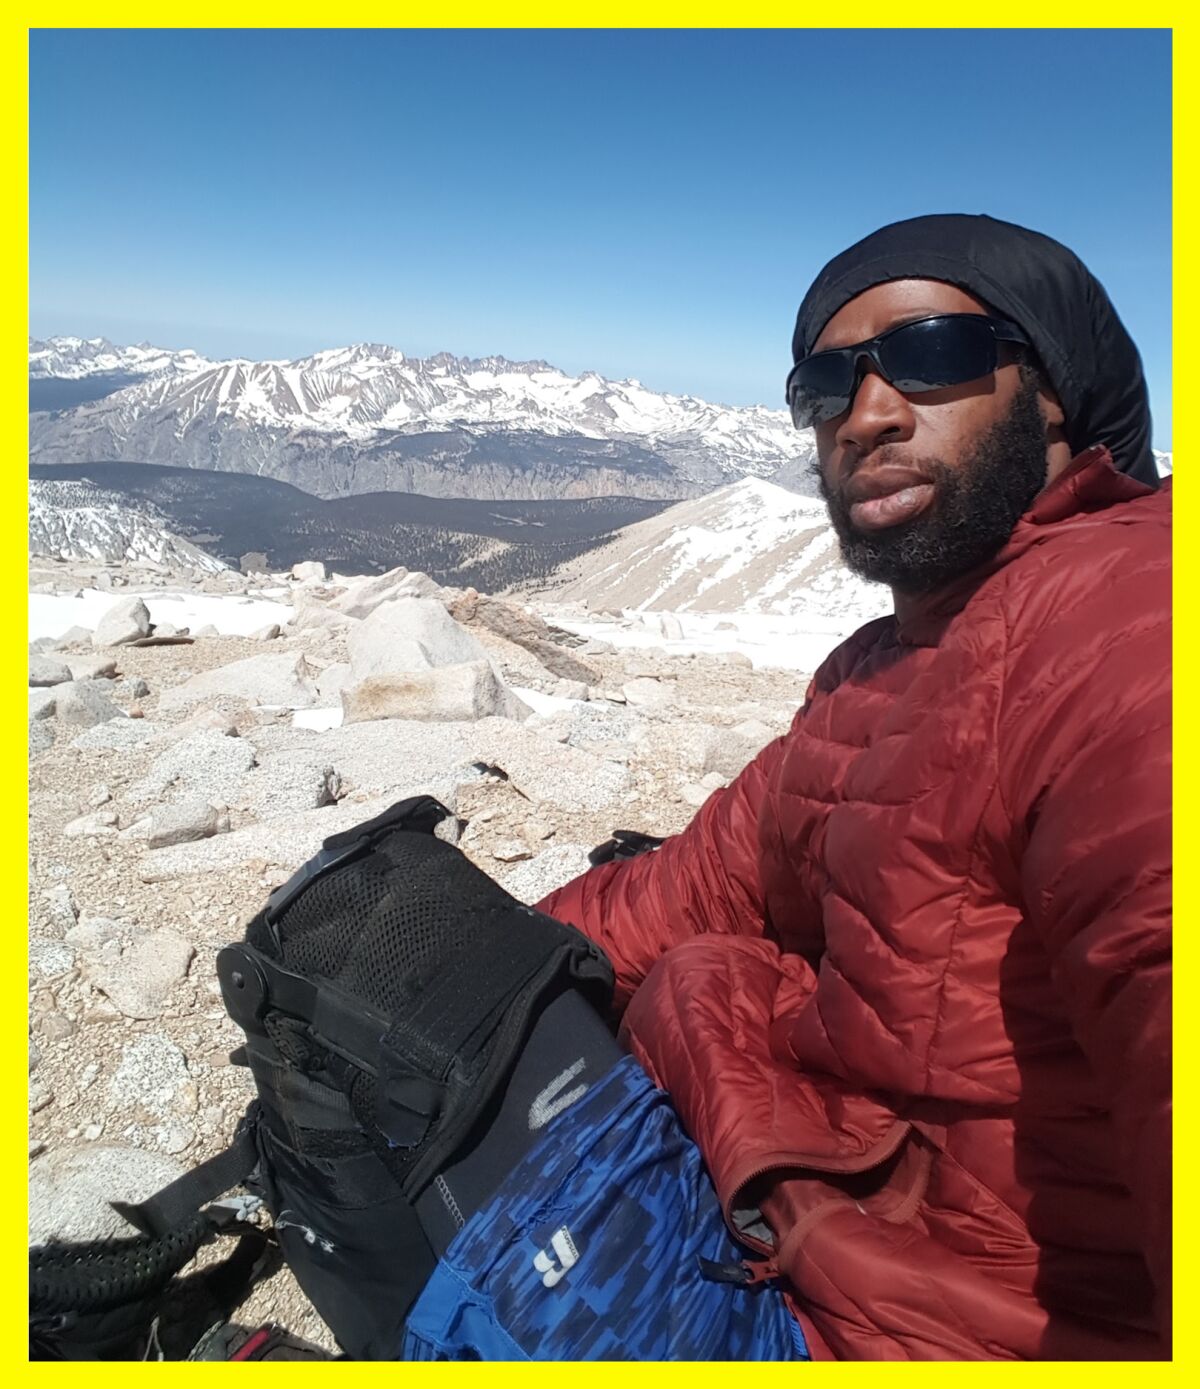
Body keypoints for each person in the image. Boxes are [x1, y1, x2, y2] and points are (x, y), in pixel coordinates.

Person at [536, 213, 1172, 1361]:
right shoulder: (883, 670)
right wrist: (468, 963)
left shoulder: (1127, 625)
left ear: (1055, 391)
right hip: (854, 1245)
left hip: (971, 1331)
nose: (866, 415)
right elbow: (701, 884)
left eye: (932, 352)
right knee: (701, 973)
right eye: (825, 385)